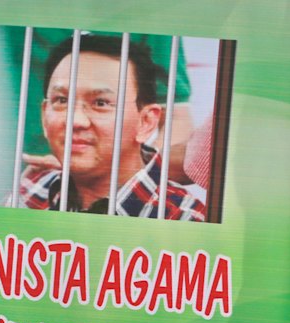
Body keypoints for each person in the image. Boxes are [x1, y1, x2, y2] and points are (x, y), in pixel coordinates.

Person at [19, 34, 205, 220]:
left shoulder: (184, 220)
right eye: (61, 100)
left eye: (101, 103)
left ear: (146, 122)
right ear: (44, 116)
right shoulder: (29, 196)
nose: (76, 121)